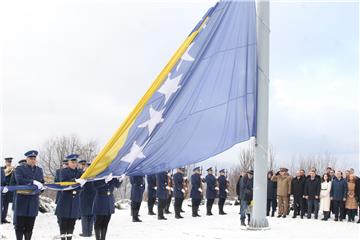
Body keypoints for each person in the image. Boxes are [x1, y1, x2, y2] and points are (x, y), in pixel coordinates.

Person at [14, 150, 44, 240]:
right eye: (31, 158)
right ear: (26, 159)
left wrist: (42, 187)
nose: (33, 160)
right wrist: (33, 182)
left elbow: (41, 182)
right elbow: (19, 180)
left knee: (30, 226)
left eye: (34, 158)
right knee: (19, 225)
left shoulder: (39, 170)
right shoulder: (20, 169)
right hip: (22, 201)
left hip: (33, 202)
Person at [55, 154, 82, 240]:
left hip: (75, 200)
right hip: (65, 199)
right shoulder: (63, 171)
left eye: (75, 162)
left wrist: (81, 183)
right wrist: (75, 181)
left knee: (72, 224)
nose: (74, 164)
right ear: (68, 162)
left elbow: (82, 186)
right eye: (72, 162)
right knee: (63, 223)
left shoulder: (80, 172)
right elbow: (64, 183)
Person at [79, 163, 96, 237]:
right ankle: (86, 232)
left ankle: (88, 232)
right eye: (87, 167)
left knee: (89, 215)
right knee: (85, 215)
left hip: (91, 196)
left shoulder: (94, 175)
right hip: (85, 197)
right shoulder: (82, 175)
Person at [1, 157, 14, 224]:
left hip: (9, 190)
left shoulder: (13, 170)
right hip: (2, 189)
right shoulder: (1, 169)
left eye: (10, 162)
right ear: (5, 162)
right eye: (8, 162)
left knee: (6, 205)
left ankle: (3, 218)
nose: (9, 163)